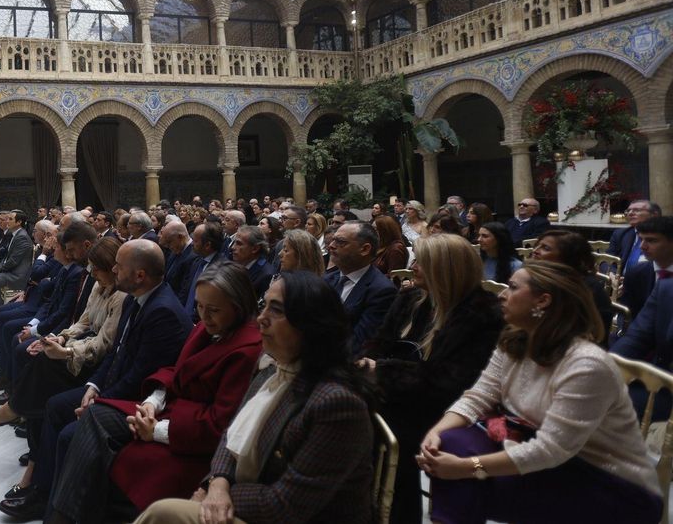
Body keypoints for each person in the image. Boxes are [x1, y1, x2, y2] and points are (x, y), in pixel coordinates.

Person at [419, 261, 662, 524]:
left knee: (467, 482)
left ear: (543, 301)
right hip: (551, 460)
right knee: (451, 442)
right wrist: (436, 433)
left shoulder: (586, 365)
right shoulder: (516, 340)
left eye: (512, 288)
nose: (501, 294)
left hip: (609, 482)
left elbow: (550, 449)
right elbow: (479, 396)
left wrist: (468, 468)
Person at [134, 271, 377, 524]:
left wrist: (217, 495)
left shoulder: (337, 405)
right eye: (263, 306)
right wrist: (216, 483)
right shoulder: (272, 369)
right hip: (246, 496)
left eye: (276, 310)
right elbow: (231, 435)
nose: (261, 319)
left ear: (311, 324)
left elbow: (284, 505)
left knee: (164, 514)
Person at [46, 262, 263, 522]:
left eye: (213, 310)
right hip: (165, 410)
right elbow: (177, 369)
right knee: (94, 416)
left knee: (107, 454)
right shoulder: (209, 328)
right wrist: (153, 401)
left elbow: (221, 424)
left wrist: (158, 431)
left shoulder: (247, 347)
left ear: (238, 306)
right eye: (200, 307)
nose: (204, 316)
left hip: (188, 435)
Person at [0, 239, 191, 521]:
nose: (113, 269)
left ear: (139, 275)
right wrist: (93, 387)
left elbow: (139, 377)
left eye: (119, 266)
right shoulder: (139, 298)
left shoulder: (162, 311)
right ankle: (41, 487)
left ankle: (55, 506)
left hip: (136, 401)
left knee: (67, 432)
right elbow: (116, 353)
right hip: (112, 385)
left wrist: (100, 400)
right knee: (54, 405)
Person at [360, 234, 504, 524]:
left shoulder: (481, 314)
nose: (413, 266)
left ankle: (395, 513)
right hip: (398, 393)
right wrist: (367, 364)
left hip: (446, 410)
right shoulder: (411, 299)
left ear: (446, 269)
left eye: (423, 263)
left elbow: (453, 382)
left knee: (380, 430)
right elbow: (379, 343)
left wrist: (382, 370)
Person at [0, 237, 125, 433]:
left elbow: (104, 343)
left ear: (112, 267)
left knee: (41, 360)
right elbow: (84, 321)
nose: (93, 273)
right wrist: (61, 338)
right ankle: (21, 413)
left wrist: (66, 350)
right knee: (35, 352)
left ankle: (16, 409)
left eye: (97, 268)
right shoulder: (99, 285)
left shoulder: (121, 296)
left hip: (96, 359)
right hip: (79, 340)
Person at [611, 216, 673, 420]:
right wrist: (605, 367)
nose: (643, 247)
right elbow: (637, 334)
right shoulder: (663, 285)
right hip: (658, 368)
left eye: (652, 240)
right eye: (641, 240)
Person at [529, 230, 614, 347]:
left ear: (567, 256)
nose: (535, 251)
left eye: (545, 248)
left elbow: (591, 336)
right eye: (536, 246)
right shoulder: (536, 279)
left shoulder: (586, 288)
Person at [326, 221, 397, 355]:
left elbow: (360, 344)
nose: (331, 245)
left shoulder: (382, 291)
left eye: (340, 242)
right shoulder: (327, 279)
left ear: (364, 249)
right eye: (332, 240)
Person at [609, 200, 662, 272]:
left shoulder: (666, 236)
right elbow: (607, 259)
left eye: (637, 210)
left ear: (654, 215)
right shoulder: (621, 234)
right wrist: (614, 275)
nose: (630, 213)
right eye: (628, 211)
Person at [229, 225, 275, 298]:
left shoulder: (266, 276)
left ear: (255, 249)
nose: (233, 247)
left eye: (239, 244)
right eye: (234, 243)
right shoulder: (234, 265)